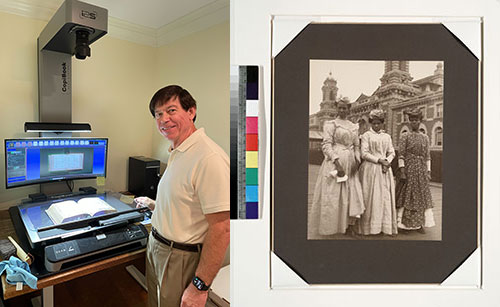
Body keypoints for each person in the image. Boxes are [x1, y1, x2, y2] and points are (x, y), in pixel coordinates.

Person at [134, 85, 230, 307]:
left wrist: (199, 287)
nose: (164, 119)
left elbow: (222, 227)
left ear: (191, 111)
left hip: (179, 257)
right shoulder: (178, 151)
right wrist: (155, 206)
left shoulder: (209, 158)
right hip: (156, 246)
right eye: (158, 114)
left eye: (171, 110)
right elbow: (187, 201)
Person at [310, 98, 365, 236]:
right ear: (337, 108)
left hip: (351, 162)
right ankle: (331, 226)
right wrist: (336, 162)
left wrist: (357, 162)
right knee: (334, 195)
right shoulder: (331, 124)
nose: (342, 110)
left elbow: (357, 146)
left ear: (348, 108)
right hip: (335, 163)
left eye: (344, 108)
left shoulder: (353, 126)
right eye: (339, 108)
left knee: (352, 195)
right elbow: (326, 145)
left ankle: (349, 226)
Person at [359, 109, 397, 236]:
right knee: (371, 196)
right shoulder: (366, 136)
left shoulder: (387, 136)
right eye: (374, 123)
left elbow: (392, 152)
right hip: (371, 168)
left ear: (382, 123)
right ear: (370, 123)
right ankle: (369, 227)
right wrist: (379, 160)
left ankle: (383, 226)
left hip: (384, 169)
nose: (376, 126)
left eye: (378, 123)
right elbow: (364, 153)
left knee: (384, 196)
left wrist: (387, 161)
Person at [396, 107, 435, 233]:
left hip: (421, 170)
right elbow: (401, 154)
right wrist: (402, 171)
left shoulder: (425, 137)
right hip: (409, 168)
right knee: (407, 195)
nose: (414, 122)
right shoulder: (405, 136)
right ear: (409, 121)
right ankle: (403, 224)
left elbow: (427, 156)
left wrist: (428, 171)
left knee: (421, 195)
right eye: (412, 120)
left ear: (420, 121)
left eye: (416, 120)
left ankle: (419, 224)